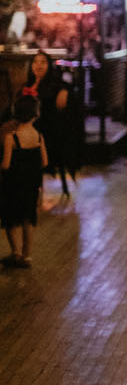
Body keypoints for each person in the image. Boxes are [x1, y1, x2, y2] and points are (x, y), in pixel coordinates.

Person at [22, 50, 79, 199]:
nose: (39, 65)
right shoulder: (27, 85)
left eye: (43, 62)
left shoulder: (56, 84)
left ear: (49, 66)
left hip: (49, 133)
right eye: (35, 62)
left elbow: (70, 87)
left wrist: (65, 91)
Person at [1, 95, 47, 269]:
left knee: (12, 219)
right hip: (31, 184)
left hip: (13, 185)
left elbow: (6, 164)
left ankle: (16, 253)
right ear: (36, 114)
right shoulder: (39, 137)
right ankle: (27, 255)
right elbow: (44, 161)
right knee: (29, 219)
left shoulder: (11, 137)